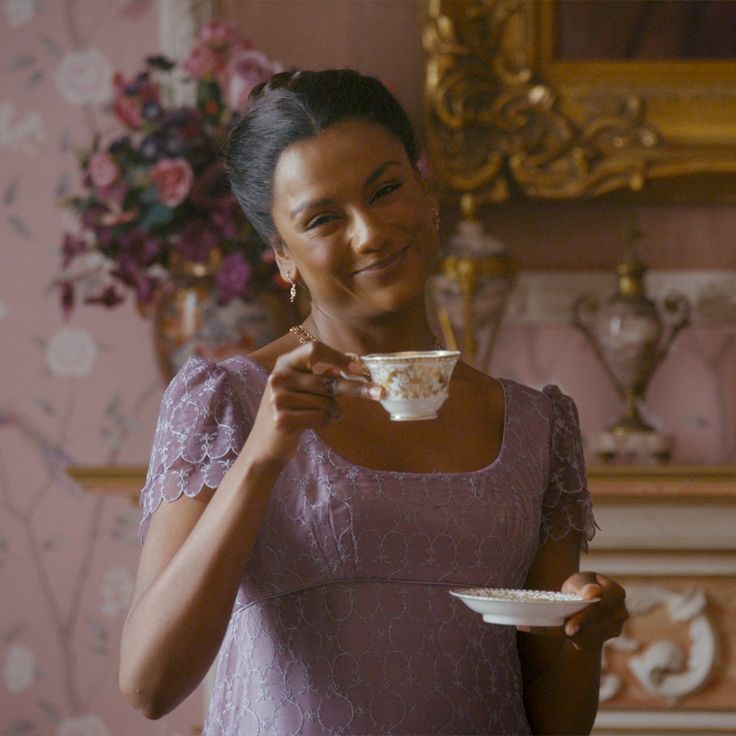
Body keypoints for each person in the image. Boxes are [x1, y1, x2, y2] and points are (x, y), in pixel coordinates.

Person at [119, 69, 628, 735]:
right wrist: (264, 455)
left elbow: (556, 724)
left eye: (387, 190)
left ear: (428, 194)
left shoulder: (536, 426)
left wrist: (582, 639)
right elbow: (149, 685)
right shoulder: (229, 401)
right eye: (324, 218)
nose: (370, 233)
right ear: (283, 257)